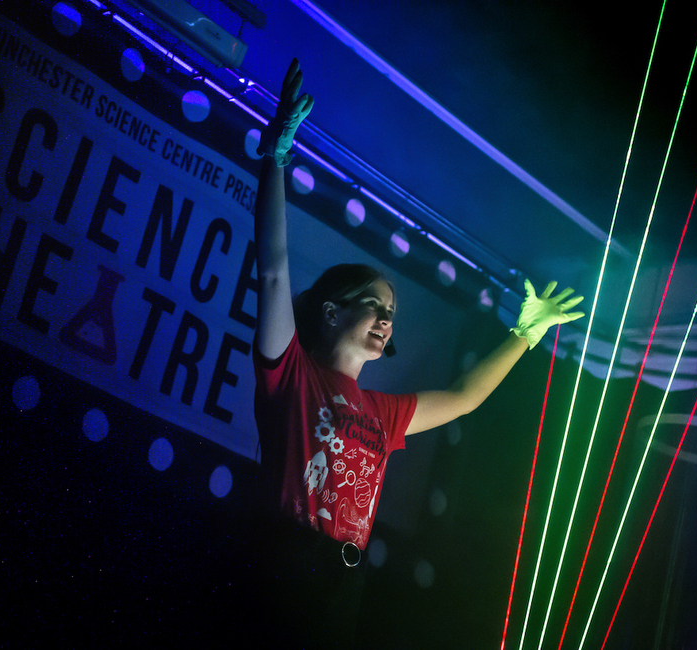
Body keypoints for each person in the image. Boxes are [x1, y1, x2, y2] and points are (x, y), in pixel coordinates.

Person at [247, 58, 584, 646]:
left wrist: (525, 334)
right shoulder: (292, 372)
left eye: (392, 315)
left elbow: (463, 398)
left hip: (342, 585)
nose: (384, 319)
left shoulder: (382, 413)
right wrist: (276, 159)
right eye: (373, 306)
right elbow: (275, 273)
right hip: (285, 566)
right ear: (332, 310)